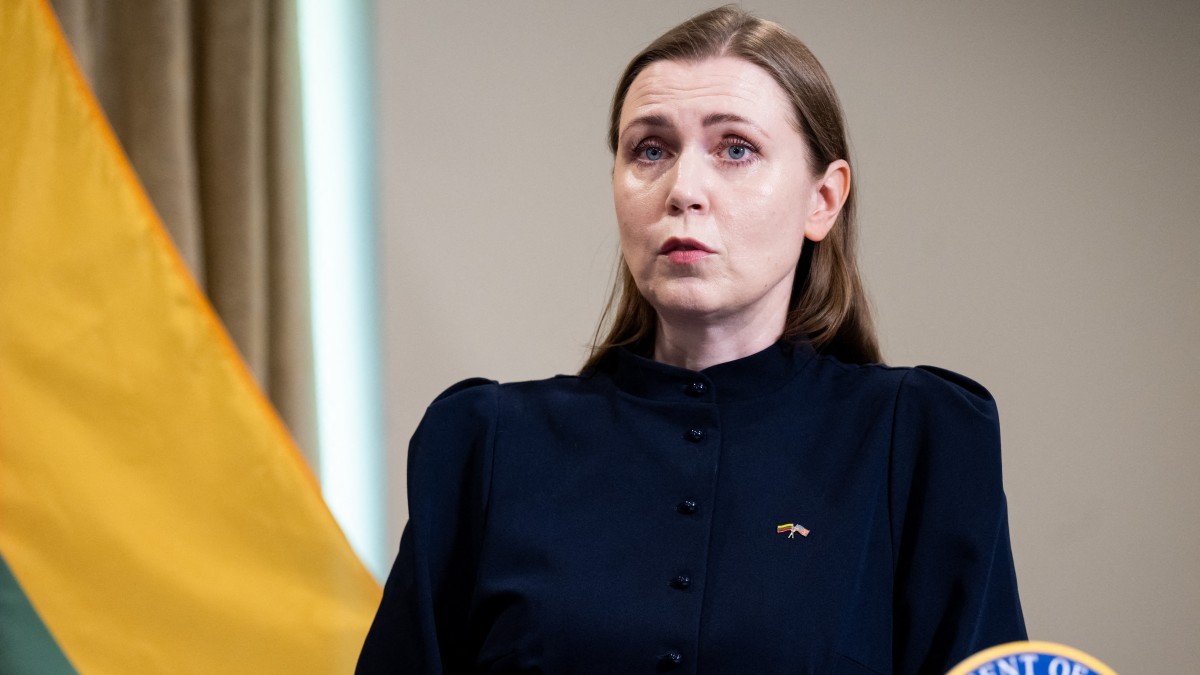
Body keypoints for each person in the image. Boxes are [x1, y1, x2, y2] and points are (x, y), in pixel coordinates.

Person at [357, 6, 1025, 674]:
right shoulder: (486, 444)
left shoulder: (920, 439)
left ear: (823, 199)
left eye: (735, 149)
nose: (684, 190)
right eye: (651, 150)